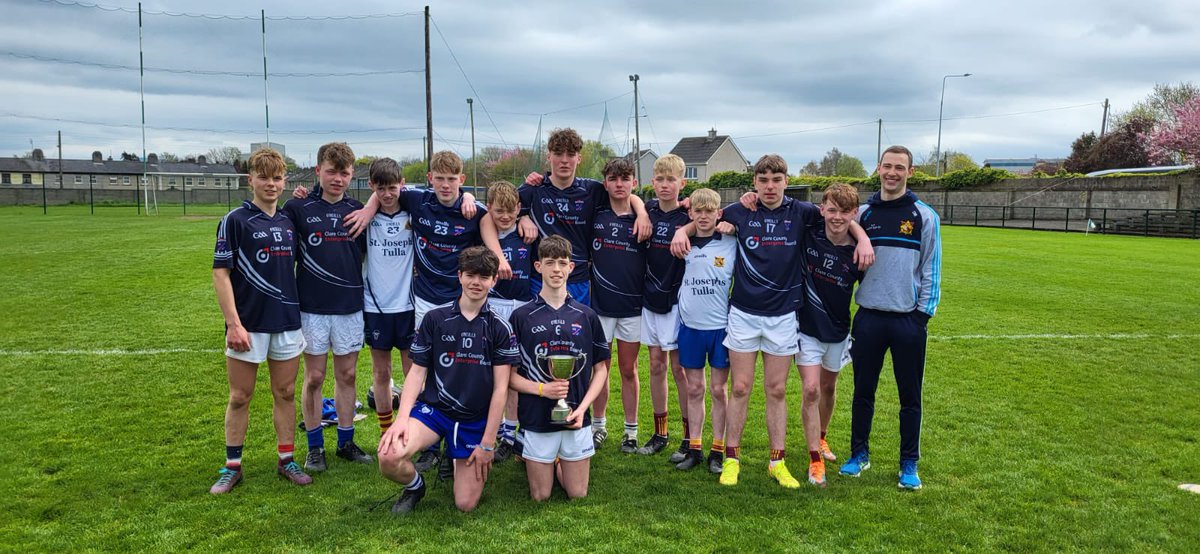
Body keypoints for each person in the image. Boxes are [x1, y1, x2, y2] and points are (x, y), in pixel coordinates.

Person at [670, 154, 873, 488]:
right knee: (739, 387)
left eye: (775, 180)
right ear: (754, 183)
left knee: (776, 389)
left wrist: (862, 238)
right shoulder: (741, 210)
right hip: (743, 315)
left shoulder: (802, 212)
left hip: (782, 316)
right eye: (762, 180)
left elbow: (838, 215)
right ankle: (732, 459)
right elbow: (705, 218)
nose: (769, 186)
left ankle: (776, 461)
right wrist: (683, 229)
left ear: (785, 181)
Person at [481, 127, 649, 448]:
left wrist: (641, 211)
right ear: (549, 157)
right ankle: (522, 427)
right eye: (558, 154)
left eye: (571, 155)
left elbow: (626, 192)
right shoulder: (532, 191)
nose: (564, 161)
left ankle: (577, 419)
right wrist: (524, 217)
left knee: (577, 356)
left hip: (581, 283)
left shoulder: (592, 190)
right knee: (531, 356)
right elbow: (490, 214)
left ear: (579, 158)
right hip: (538, 283)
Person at [377, 247, 518, 514]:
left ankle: (454, 456)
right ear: (460, 276)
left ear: (493, 280)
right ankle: (415, 486)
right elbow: (417, 372)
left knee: (465, 504)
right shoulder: (435, 319)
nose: (477, 282)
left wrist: (488, 443)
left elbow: (501, 388)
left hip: (473, 419)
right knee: (389, 456)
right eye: (471, 275)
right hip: (435, 412)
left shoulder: (501, 327)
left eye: (484, 276)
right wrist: (402, 419)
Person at [838, 146, 942, 491]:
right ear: (878, 169)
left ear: (910, 172)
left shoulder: (924, 216)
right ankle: (858, 455)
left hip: (907, 321)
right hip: (868, 317)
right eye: (887, 166)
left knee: (909, 395)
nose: (892, 172)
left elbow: (931, 268)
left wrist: (921, 316)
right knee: (862, 391)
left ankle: (908, 461)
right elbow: (826, 216)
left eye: (900, 167)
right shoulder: (862, 214)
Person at [209, 147, 312, 493]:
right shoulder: (235, 220)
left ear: (284, 182)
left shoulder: (288, 220)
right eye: (263, 177)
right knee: (240, 395)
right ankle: (232, 466)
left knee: (284, 392)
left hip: (286, 320)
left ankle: (287, 460)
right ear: (250, 179)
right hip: (248, 324)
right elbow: (221, 275)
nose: (270, 183)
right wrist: (234, 324)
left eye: (277, 177)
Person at [282, 142, 372, 471]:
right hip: (312, 308)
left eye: (344, 173)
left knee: (347, 375)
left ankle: (346, 442)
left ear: (352, 176)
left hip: (349, 306)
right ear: (318, 170)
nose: (338, 178)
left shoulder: (359, 210)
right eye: (331, 171)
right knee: (316, 377)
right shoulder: (298, 208)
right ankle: (315, 446)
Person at [509, 236, 610, 501]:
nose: (556, 269)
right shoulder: (521, 317)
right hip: (536, 416)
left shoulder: (586, 315)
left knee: (577, 493)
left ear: (571, 268)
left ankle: (557, 461)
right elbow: (509, 377)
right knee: (540, 496)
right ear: (538, 266)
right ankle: (548, 459)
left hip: (575, 416)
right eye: (550, 262)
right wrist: (543, 389)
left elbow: (600, 370)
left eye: (562, 263)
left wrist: (582, 408)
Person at [795, 183, 866, 487]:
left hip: (838, 330)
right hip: (805, 327)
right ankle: (815, 461)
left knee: (828, 386)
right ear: (822, 209)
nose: (837, 217)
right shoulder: (808, 232)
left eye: (844, 211)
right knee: (810, 389)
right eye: (832, 210)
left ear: (855, 213)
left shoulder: (860, 251)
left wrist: (862, 237)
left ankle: (821, 437)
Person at [674, 187, 736, 473]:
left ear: (718, 213)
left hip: (721, 328)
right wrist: (680, 231)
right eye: (698, 211)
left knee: (718, 389)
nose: (703, 216)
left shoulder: (731, 241)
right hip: (690, 328)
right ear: (691, 213)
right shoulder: (683, 244)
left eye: (709, 211)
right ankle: (695, 448)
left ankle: (717, 450)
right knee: (695, 388)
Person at [587, 158, 647, 453]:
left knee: (628, 368)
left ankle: (631, 431)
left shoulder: (642, 220)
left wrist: (643, 211)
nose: (620, 184)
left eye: (626, 178)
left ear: (634, 182)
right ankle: (598, 426)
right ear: (606, 182)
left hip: (633, 307)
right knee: (601, 368)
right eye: (614, 178)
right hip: (600, 307)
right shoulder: (596, 215)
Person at [636, 154, 693, 463]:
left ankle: (688, 437)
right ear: (652, 182)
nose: (665, 185)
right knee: (656, 365)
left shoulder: (688, 217)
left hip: (678, 302)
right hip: (649, 299)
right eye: (660, 179)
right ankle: (660, 433)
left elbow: (714, 215)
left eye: (672, 180)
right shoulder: (645, 212)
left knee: (679, 369)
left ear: (682, 183)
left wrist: (689, 227)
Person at [359, 158, 416, 444]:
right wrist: (370, 206)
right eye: (380, 189)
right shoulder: (365, 218)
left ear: (402, 184)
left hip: (408, 307)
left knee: (412, 373)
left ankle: (409, 432)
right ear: (371, 187)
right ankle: (385, 434)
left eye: (392, 187)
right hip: (376, 307)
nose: (387, 194)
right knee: (381, 373)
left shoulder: (413, 212)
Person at [481, 180, 534, 462]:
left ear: (519, 208)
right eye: (498, 211)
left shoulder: (528, 233)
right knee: (496, 373)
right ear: (488, 208)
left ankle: (515, 433)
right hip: (493, 308)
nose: (505, 216)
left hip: (522, 307)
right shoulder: (483, 233)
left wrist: (524, 219)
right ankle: (501, 430)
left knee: (519, 373)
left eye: (511, 211)